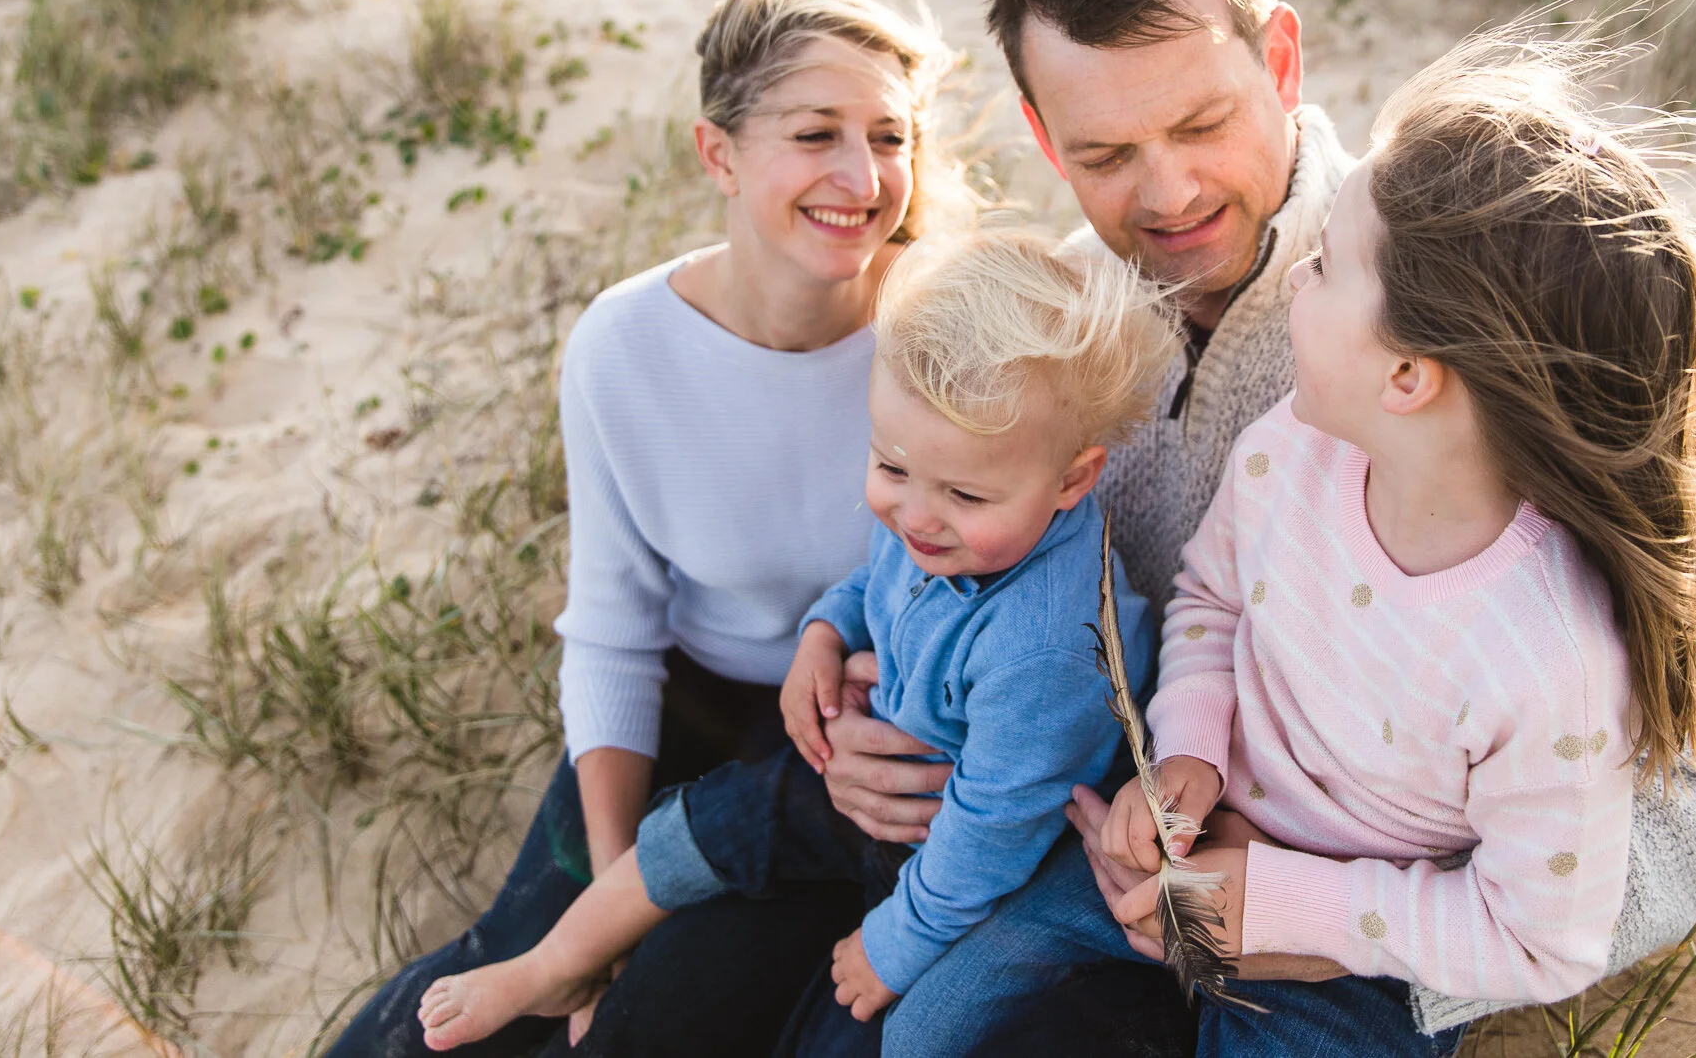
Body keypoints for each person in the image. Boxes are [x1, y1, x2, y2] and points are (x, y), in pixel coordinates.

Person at [798, 0, 1696, 1056]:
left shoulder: (1449, 318)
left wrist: (1314, 922)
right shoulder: (1045, 334)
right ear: (1040, 137)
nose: (1165, 193)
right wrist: (875, 694)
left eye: (1202, 123)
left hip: (1344, 938)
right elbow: (985, 557)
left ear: (1277, 60)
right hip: (1106, 850)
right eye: (1103, 152)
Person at [322, 0, 958, 1058]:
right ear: (717, 152)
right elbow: (614, 631)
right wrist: (613, 888)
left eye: (889, 137)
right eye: (814, 135)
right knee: (504, 975)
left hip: (841, 746)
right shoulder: (625, 345)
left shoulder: (940, 340)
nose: (861, 176)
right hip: (687, 707)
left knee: (655, 1017)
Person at [412, 230, 1171, 1051]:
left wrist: (897, 942)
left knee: (842, 1013)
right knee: (710, 820)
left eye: (962, 493)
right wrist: (822, 631)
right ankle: (557, 959)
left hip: (954, 853)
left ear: (1072, 477)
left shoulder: (1050, 645)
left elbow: (994, 833)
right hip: (878, 773)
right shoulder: (944, 518)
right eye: (890, 468)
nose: (915, 515)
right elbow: (873, 581)